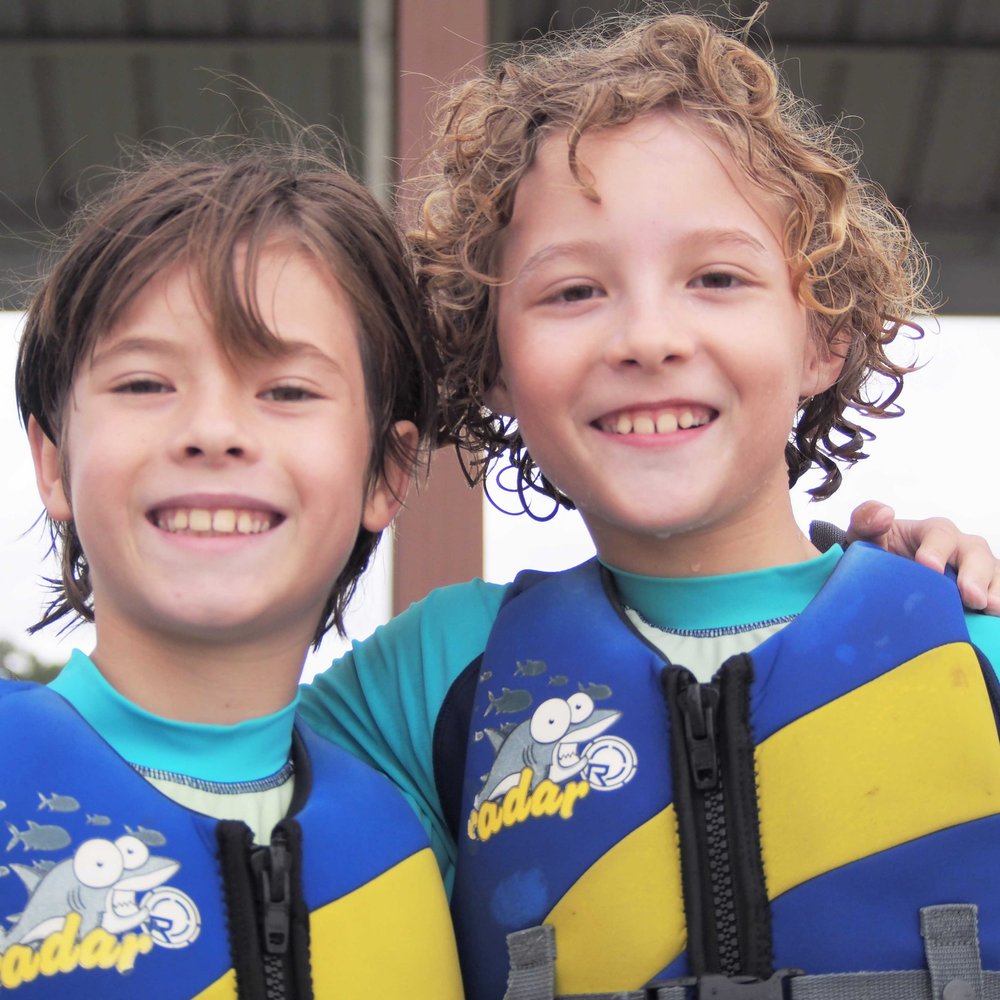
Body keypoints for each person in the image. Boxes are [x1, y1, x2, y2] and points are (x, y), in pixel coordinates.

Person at [300, 10, 1000, 999]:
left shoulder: (974, 649)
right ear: (492, 361)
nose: (648, 337)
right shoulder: (428, 684)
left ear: (823, 338)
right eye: (573, 292)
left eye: (716, 277)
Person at [1, 142, 463, 997]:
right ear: (54, 463)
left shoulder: (422, 837)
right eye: (145, 384)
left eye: (287, 391)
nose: (212, 432)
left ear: (387, 474)